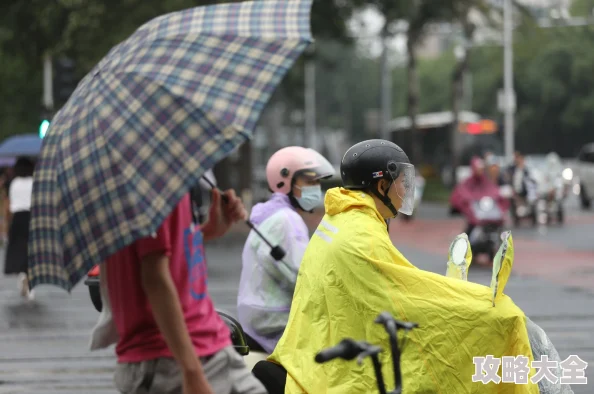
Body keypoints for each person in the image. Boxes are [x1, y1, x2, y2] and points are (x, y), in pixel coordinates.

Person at [263, 140, 536, 393]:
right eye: (401, 182)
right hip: (334, 366)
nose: (406, 190)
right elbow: (404, 300)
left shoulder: (342, 217)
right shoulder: (362, 234)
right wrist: (482, 307)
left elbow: (397, 285)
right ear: (381, 187)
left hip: (313, 344)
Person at [103, 184, 267, 394]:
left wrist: (207, 231)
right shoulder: (156, 185)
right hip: (179, 359)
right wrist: (191, 371)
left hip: (191, 352)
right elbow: (154, 278)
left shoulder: (140, 185)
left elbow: (161, 253)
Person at [237, 146, 334, 353]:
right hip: (274, 319)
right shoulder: (287, 221)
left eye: (317, 182)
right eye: (309, 182)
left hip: (258, 315)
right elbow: (302, 274)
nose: (315, 188)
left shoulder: (271, 214)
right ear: (284, 181)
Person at [3, 157, 35, 300]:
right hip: (32, 217)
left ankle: (22, 274)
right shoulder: (34, 182)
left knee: (18, 249)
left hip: (17, 218)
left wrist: (7, 223)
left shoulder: (14, 183)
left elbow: (9, 205)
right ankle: (28, 278)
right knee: (31, 250)